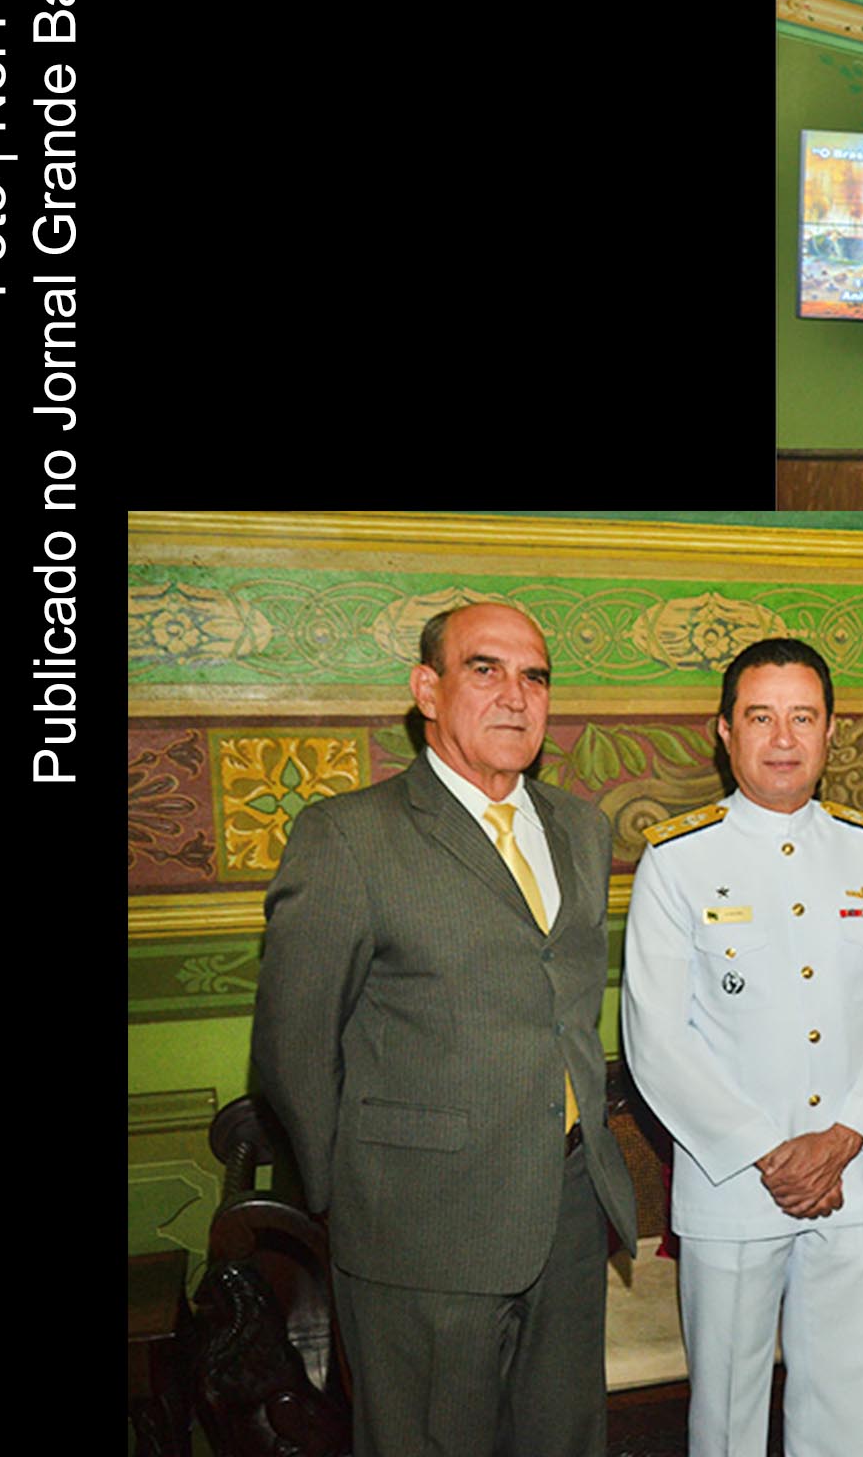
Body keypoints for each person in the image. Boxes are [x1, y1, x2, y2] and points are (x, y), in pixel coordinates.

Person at [251, 601, 636, 1457]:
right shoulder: (350, 837)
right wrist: (351, 1198)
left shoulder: (580, 828)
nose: (515, 695)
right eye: (484, 669)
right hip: (419, 1228)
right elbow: (293, 1046)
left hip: (571, 1209)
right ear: (427, 690)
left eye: (534, 676)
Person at [620, 638, 863, 1457]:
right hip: (732, 1187)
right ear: (725, 732)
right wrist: (770, 1154)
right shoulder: (678, 860)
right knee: (726, 1419)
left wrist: (842, 1140)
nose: (784, 739)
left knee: (840, 1414)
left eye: (803, 717)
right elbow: (656, 1037)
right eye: (761, 717)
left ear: (832, 731)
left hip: (850, 1181)